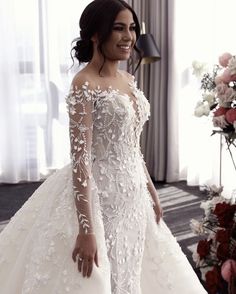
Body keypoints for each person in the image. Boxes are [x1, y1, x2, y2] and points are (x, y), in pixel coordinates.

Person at [0, 0, 207, 293]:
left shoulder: (128, 78)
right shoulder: (84, 83)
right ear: (96, 34)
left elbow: (132, 144)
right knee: (103, 270)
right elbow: (81, 158)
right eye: (119, 28)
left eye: (132, 28)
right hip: (100, 196)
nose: (129, 37)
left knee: (129, 266)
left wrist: (150, 189)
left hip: (133, 194)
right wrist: (86, 230)